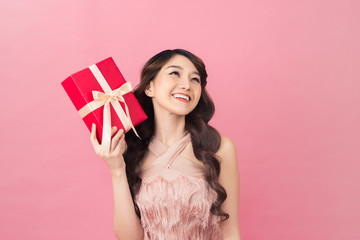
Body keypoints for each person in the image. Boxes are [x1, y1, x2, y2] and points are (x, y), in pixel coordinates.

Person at [90, 49, 241, 239]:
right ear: (149, 87)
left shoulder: (218, 147)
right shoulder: (132, 148)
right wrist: (117, 169)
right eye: (175, 73)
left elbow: (230, 232)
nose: (186, 85)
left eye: (195, 79)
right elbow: (129, 238)